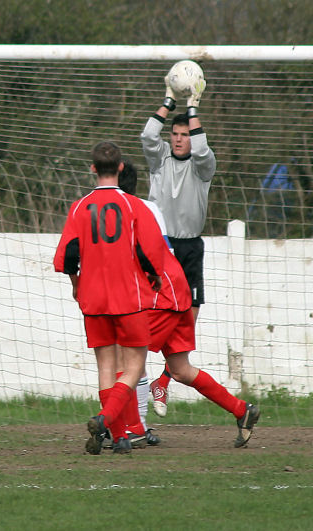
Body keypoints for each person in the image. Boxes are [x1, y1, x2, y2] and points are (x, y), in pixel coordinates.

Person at [118, 160, 260, 448]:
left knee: (127, 358)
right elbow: (165, 250)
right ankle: (242, 410)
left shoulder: (125, 213)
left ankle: (135, 428)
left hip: (162, 296)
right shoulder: (150, 208)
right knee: (180, 369)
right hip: (178, 290)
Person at [53, 141, 165, 455]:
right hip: (128, 297)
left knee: (105, 366)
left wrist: (76, 284)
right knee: (133, 367)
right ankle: (106, 419)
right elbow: (149, 253)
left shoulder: (79, 207)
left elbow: (68, 255)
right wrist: (154, 277)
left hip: (93, 298)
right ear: (119, 168)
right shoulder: (133, 205)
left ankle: (119, 438)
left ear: (92, 168)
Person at [140, 69, 216, 417]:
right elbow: (147, 134)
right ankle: (138, 389)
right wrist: (169, 100)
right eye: (176, 133)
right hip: (160, 248)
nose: (179, 139)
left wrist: (193, 104)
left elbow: (202, 148)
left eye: (185, 134)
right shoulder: (159, 162)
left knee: (188, 321)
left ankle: (163, 383)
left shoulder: (203, 167)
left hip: (190, 250)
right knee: (152, 322)